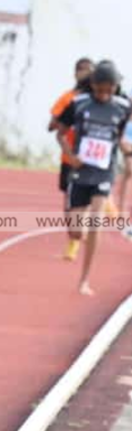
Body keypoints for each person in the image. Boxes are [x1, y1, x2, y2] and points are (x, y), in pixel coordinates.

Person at [57, 61, 132, 296]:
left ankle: (85, 280)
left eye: (109, 90)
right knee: (76, 231)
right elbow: (60, 133)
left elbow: (119, 135)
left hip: (104, 171)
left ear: (116, 88)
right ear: (93, 85)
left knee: (95, 224)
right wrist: (71, 155)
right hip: (80, 172)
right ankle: (76, 234)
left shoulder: (123, 106)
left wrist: (125, 148)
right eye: (100, 90)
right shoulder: (79, 104)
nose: (104, 95)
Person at [49, 58, 95, 260]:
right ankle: (75, 233)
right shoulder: (69, 99)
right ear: (75, 73)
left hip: (91, 163)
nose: (85, 75)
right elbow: (52, 126)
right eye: (81, 71)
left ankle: (73, 247)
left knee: (86, 201)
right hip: (69, 159)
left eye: (89, 71)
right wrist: (66, 122)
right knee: (70, 204)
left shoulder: (101, 103)